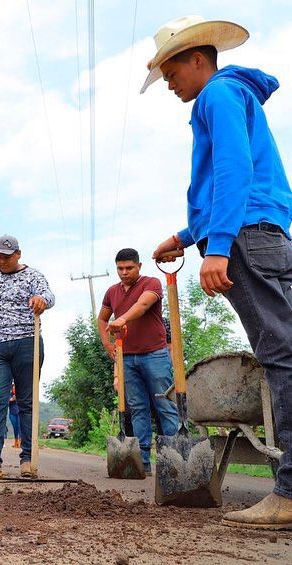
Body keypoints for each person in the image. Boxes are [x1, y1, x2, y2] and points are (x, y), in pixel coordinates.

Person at [143, 15, 292, 529]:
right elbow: (239, 179)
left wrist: (219, 246)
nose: (168, 82)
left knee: (281, 354)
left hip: (246, 237)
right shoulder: (232, 95)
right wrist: (188, 237)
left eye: (171, 72)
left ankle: (290, 491)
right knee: (287, 348)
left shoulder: (217, 96)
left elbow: (234, 169)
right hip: (261, 232)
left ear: (198, 59)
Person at [0, 235, 54, 478]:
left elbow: (49, 295)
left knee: (26, 403)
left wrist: (41, 300)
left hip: (28, 343)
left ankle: (28, 460)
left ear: (18, 254)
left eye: (6, 257)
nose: (2, 261)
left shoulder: (33, 276)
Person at [97, 248, 179, 476]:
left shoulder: (151, 283)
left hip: (155, 354)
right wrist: (107, 344)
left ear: (139, 266)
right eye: (120, 268)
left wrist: (121, 319)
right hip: (127, 357)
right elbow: (102, 318)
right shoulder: (112, 292)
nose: (124, 272)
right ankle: (142, 461)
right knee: (138, 409)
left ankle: (173, 459)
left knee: (165, 405)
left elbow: (142, 306)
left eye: (129, 268)